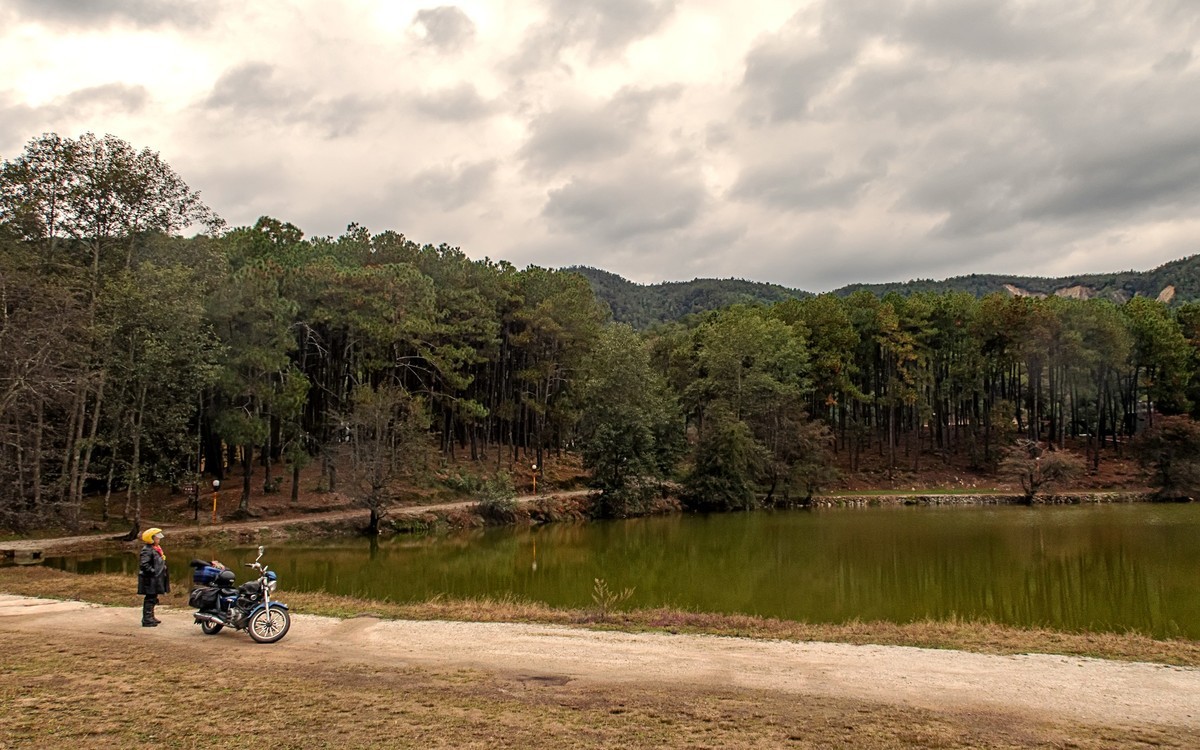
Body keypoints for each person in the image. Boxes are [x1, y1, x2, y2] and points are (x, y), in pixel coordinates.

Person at [138, 527, 170, 627]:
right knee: (150, 598)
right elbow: (144, 565)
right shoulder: (147, 550)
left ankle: (151, 617)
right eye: (157, 537)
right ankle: (147, 619)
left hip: (155, 578)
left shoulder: (156, 548)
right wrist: (154, 572)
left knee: (153, 597)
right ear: (151, 538)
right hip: (150, 579)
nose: (159, 539)